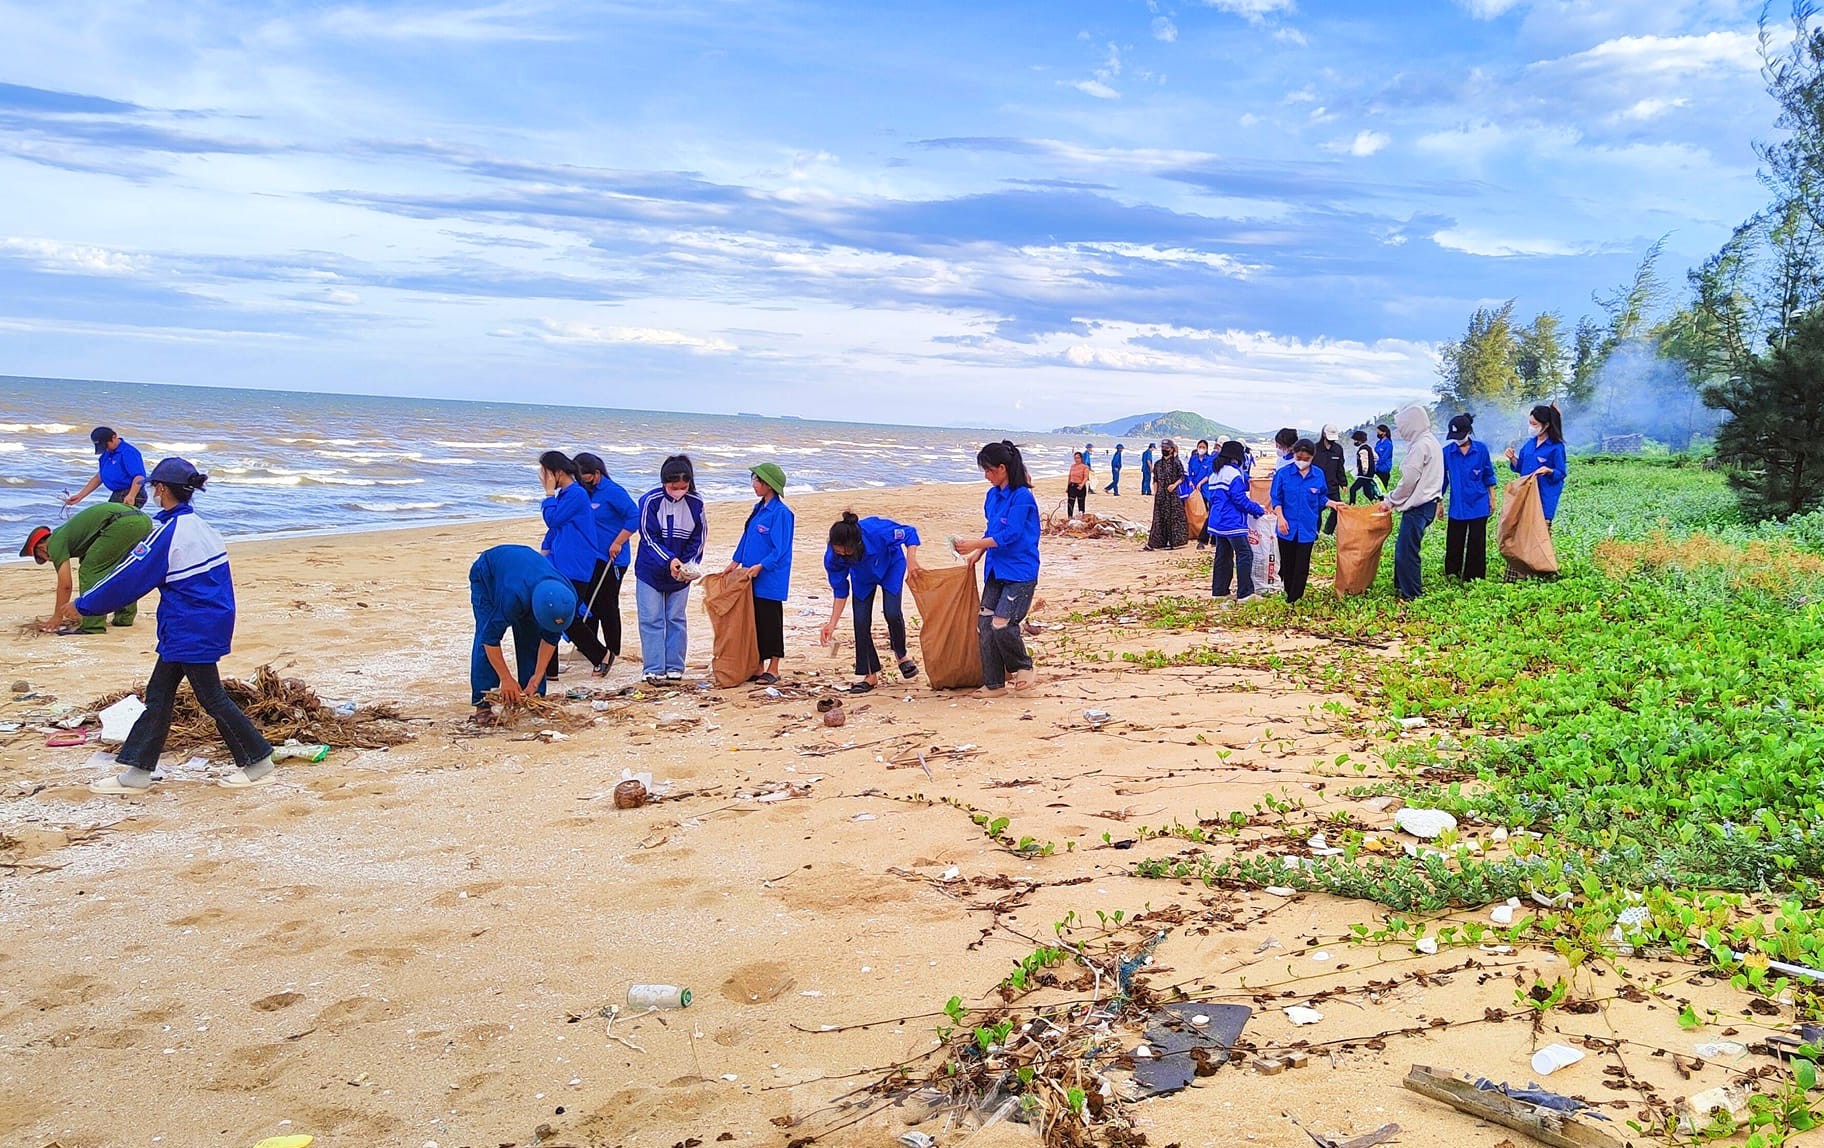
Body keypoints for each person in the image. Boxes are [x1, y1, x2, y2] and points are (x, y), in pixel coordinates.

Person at [71, 458, 279, 793]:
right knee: (159, 696)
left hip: (190, 627)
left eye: (155, 487)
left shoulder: (168, 534)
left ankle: (257, 759)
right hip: (204, 622)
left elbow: (129, 578)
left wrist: (83, 605)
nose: (153, 491)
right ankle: (138, 772)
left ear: (163, 489)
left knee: (211, 698)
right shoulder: (203, 529)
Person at [953, 441, 1040, 697]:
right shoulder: (992, 496)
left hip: (1020, 571)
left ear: (1003, 468)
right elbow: (992, 529)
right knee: (985, 623)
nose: (986, 475)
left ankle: (1023, 667)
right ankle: (994, 683)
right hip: (995, 569)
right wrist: (977, 553)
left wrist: (974, 544)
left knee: (1002, 623)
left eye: (989, 470)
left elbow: (1011, 534)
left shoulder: (1022, 496)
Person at [469, 544, 577, 722]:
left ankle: (533, 694)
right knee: (484, 633)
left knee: (531, 637)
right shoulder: (512, 597)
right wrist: (506, 678)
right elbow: (490, 640)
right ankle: (483, 703)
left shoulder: (566, 596)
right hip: (488, 572)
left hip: (530, 579)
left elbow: (550, 638)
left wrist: (538, 675)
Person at [821, 512, 922, 692]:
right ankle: (870, 674)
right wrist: (832, 623)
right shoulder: (833, 557)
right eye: (838, 552)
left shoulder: (878, 531)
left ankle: (901, 655)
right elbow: (840, 590)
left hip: (891, 566)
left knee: (892, 612)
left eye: (846, 551)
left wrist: (911, 560)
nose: (842, 555)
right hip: (862, 577)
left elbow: (910, 533)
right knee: (860, 621)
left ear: (857, 544)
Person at [20, 502, 153, 634]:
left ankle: (92, 625)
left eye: (43, 557)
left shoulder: (54, 542)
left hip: (122, 523)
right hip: (142, 520)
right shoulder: (69, 534)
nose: (49, 559)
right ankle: (124, 617)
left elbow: (65, 584)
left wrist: (57, 617)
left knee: (89, 570)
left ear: (41, 548)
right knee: (121, 568)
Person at [635, 454, 707, 684]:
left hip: (681, 573)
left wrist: (687, 565)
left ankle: (675, 666)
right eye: (673, 487)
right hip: (650, 570)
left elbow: (699, 537)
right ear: (664, 482)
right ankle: (654, 668)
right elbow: (648, 536)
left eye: (683, 487)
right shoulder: (650, 500)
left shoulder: (696, 503)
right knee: (651, 618)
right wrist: (669, 560)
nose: (678, 490)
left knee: (675, 618)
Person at [537, 450, 609, 678]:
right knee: (553, 613)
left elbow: (553, 519)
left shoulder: (576, 494)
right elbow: (555, 528)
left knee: (564, 615)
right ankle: (550, 670)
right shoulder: (567, 495)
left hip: (576, 565)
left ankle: (602, 656)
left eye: (545, 472)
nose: (542, 477)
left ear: (557, 472)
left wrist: (548, 494)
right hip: (560, 563)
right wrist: (545, 550)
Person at [573, 452, 640, 676]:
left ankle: (613, 649)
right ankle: (590, 647)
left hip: (613, 557)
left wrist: (618, 541)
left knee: (607, 604)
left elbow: (634, 517)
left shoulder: (613, 491)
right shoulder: (583, 491)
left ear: (597, 474)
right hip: (590, 557)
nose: (581, 481)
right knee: (587, 602)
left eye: (585, 477)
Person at [727, 463, 795, 684]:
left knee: (770, 621)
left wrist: (761, 566)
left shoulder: (781, 513)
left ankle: (773, 668)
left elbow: (780, 549)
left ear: (768, 485)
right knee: (753, 621)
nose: (754, 484)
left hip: (769, 578)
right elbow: (746, 538)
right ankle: (757, 667)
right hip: (750, 576)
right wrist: (735, 562)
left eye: (757, 480)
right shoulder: (758, 509)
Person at [1383, 405, 1444, 602]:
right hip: (1429, 504)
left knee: (1407, 551)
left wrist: (1391, 500)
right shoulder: (1430, 441)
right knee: (1405, 548)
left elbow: (1409, 480)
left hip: (1419, 506)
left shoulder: (1420, 446)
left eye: (1402, 426)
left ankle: (1412, 594)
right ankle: (1401, 586)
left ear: (1412, 424)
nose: (1400, 431)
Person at [1200, 441, 1266, 603]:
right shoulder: (1233, 474)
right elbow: (1240, 499)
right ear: (1237, 457)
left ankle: (1219, 592)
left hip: (1217, 522)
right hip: (1232, 523)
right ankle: (1245, 594)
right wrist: (1258, 509)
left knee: (1223, 557)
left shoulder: (1216, 472)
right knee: (1245, 554)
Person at [1269, 439, 1332, 604]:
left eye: (1306, 459)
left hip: (1307, 527)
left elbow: (1321, 497)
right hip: (1286, 526)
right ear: (1294, 455)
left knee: (1302, 566)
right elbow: (1276, 499)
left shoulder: (1318, 475)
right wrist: (1281, 518)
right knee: (1287, 564)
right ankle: (1288, 592)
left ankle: (1295, 598)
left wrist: (1332, 504)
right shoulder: (1283, 474)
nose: (1302, 461)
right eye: (1299, 457)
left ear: (1312, 457)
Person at [1442, 414, 1498, 580]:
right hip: (1457, 505)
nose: (1457, 440)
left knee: (1477, 542)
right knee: (1454, 541)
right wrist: (1438, 502)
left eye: (1459, 436)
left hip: (1479, 503)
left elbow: (1488, 474)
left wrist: (1492, 498)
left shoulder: (1481, 449)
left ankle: (1474, 576)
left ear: (1468, 432)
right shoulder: (1447, 452)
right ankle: (1452, 573)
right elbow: (1442, 479)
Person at [1506, 404, 1569, 526]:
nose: (1531, 427)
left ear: (1546, 425)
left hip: (1544, 497)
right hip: (1526, 494)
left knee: (1541, 535)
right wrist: (1512, 458)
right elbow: (1520, 467)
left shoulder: (1556, 447)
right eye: (1530, 423)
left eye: (1534, 424)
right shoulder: (1529, 444)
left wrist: (1549, 471)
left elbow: (1561, 473)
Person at [66, 427, 148, 509]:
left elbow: (139, 477)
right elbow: (99, 477)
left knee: (114, 519)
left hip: (133, 493)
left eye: (106, 445)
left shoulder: (128, 452)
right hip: (118, 493)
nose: (106, 448)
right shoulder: (106, 453)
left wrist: (131, 495)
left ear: (114, 437)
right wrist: (80, 496)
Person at [1145, 439, 1189, 551]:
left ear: (1172, 449)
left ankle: (1176, 542)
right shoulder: (1158, 464)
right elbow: (1155, 479)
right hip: (1161, 495)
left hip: (1173, 495)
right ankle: (1157, 543)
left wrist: (1174, 485)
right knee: (1159, 518)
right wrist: (1156, 491)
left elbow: (1182, 477)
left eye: (1166, 448)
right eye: (1162, 448)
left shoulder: (1176, 463)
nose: (1164, 450)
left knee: (1174, 518)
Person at [1315, 425, 1347, 536]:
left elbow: (1340, 467)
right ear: (1324, 434)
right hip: (1318, 487)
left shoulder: (1338, 449)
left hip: (1333, 487)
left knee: (1337, 510)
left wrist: (1343, 483)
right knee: (1317, 511)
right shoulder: (1315, 449)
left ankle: (1327, 532)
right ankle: (1315, 533)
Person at [1349, 430, 1380, 502]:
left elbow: (1364, 462)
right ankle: (1375, 503)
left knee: (1352, 489)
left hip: (1364, 476)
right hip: (1369, 475)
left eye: (1355, 440)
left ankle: (1351, 504)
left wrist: (1364, 471)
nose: (1355, 442)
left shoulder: (1362, 450)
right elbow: (1376, 457)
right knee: (1367, 493)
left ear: (1359, 441)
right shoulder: (1369, 448)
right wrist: (1372, 465)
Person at [1066, 451, 1090, 517]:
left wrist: (1082, 485)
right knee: (1070, 503)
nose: (1076, 459)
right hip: (1072, 486)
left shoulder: (1085, 467)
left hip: (1080, 486)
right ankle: (1069, 517)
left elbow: (1086, 477)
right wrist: (1068, 487)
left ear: (1081, 458)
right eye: (1075, 458)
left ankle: (1081, 516)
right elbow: (1070, 476)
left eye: (1078, 458)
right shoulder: (1072, 466)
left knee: (1081, 503)